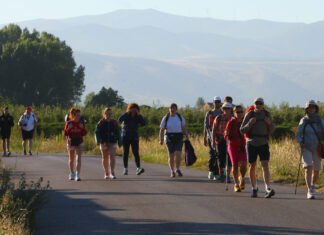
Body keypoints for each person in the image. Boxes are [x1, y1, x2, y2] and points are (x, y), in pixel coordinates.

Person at [240, 97, 275, 198]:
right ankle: (254, 188)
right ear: (254, 104)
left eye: (260, 103)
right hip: (251, 142)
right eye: (257, 103)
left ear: (263, 104)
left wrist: (269, 124)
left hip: (263, 142)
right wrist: (249, 124)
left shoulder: (267, 114)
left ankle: (267, 188)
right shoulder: (249, 114)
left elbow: (272, 130)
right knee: (252, 165)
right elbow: (242, 130)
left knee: (265, 164)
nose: (258, 105)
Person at [296, 100, 324, 199]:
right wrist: (300, 142)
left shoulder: (320, 120)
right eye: (309, 107)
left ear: (316, 109)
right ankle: (309, 190)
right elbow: (298, 135)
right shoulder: (303, 120)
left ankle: (312, 185)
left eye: (313, 107)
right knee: (308, 167)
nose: (311, 109)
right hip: (306, 147)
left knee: (317, 169)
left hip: (317, 147)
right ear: (306, 109)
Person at [159, 103, 188, 177]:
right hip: (169, 137)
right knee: (171, 155)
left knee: (178, 154)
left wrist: (187, 136)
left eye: (174, 108)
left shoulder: (179, 117)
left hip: (179, 137)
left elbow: (183, 127)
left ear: (176, 109)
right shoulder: (166, 118)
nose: (172, 110)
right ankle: (172, 171)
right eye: (171, 108)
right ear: (169, 109)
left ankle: (177, 169)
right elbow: (162, 130)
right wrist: (161, 139)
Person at [118, 103, 146, 175]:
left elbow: (144, 123)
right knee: (125, 152)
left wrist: (139, 115)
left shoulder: (138, 116)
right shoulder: (126, 115)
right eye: (132, 108)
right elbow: (119, 119)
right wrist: (127, 113)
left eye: (135, 108)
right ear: (129, 109)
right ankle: (125, 168)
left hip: (134, 136)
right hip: (125, 135)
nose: (134, 110)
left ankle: (138, 168)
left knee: (136, 152)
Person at [224, 105, 247, 192]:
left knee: (244, 164)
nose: (240, 114)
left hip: (243, 146)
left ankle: (242, 177)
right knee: (235, 165)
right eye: (237, 112)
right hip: (233, 146)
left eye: (241, 112)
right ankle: (236, 184)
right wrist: (226, 133)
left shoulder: (245, 121)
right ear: (234, 113)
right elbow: (225, 134)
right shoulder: (231, 122)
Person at [95, 108, 122, 180]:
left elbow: (118, 132)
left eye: (110, 113)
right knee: (105, 157)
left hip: (112, 141)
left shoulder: (114, 122)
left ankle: (112, 172)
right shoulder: (100, 122)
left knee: (112, 157)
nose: (109, 115)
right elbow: (97, 132)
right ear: (104, 114)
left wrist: (119, 141)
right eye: (107, 113)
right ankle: (106, 172)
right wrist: (98, 140)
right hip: (103, 142)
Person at [64, 108, 87, 181]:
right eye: (77, 115)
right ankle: (71, 173)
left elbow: (84, 133)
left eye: (79, 115)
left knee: (78, 158)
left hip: (79, 141)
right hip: (71, 142)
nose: (78, 117)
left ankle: (77, 174)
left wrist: (82, 128)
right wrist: (69, 129)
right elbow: (65, 133)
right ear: (73, 115)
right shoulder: (69, 123)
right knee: (71, 158)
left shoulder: (81, 123)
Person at [212, 102, 233, 182]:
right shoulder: (218, 118)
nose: (226, 110)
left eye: (228, 108)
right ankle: (222, 174)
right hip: (220, 140)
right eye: (224, 108)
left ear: (230, 109)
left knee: (229, 159)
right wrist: (213, 141)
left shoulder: (233, 119)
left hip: (230, 140)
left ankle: (227, 175)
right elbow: (214, 130)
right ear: (222, 109)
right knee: (221, 158)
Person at [203, 96, 222, 180]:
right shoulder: (209, 113)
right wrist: (204, 137)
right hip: (210, 137)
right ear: (213, 102)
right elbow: (206, 126)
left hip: (220, 138)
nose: (217, 103)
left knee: (219, 155)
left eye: (218, 102)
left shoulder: (222, 113)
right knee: (212, 155)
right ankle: (211, 170)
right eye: (216, 102)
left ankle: (217, 173)